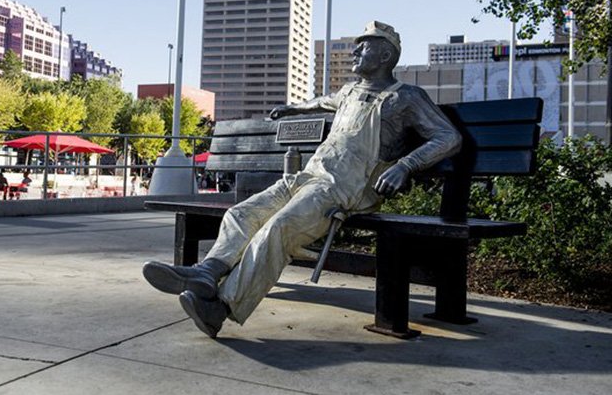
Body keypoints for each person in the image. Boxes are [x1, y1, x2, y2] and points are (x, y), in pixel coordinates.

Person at [142, 21, 463, 338]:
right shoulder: (350, 91)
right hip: (308, 177)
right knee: (240, 214)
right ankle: (207, 274)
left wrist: (405, 166)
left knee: (276, 229)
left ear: (385, 56)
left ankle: (221, 308)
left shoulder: (405, 97)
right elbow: (320, 102)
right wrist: (290, 108)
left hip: (345, 190)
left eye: (364, 46)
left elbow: (449, 137)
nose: (355, 50)